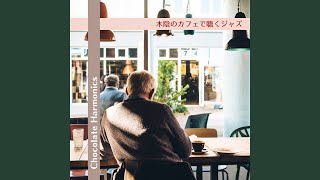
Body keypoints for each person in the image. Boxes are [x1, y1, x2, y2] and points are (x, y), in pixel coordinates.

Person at [101, 70, 192, 164]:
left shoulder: (108, 114)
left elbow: (104, 153)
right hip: (168, 174)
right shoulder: (161, 110)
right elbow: (185, 151)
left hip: (130, 176)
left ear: (127, 90)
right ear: (152, 92)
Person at [100, 74, 127, 160]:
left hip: (100, 134)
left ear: (105, 83)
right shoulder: (122, 95)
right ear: (117, 83)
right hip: (116, 135)